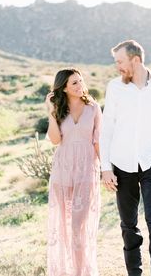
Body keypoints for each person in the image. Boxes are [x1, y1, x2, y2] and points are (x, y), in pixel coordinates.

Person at [99, 40, 151, 276]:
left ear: (136, 60)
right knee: (129, 226)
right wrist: (105, 168)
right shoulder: (115, 87)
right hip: (122, 166)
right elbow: (107, 129)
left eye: (120, 62)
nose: (117, 67)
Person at [45, 68, 102, 276]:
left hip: (86, 172)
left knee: (78, 227)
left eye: (80, 81)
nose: (80, 86)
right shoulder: (59, 108)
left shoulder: (93, 108)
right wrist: (51, 112)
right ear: (64, 88)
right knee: (62, 226)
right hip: (62, 173)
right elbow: (55, 140)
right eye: (74, 84)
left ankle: (81, 272)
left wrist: (106, 170)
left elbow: (98, 141)